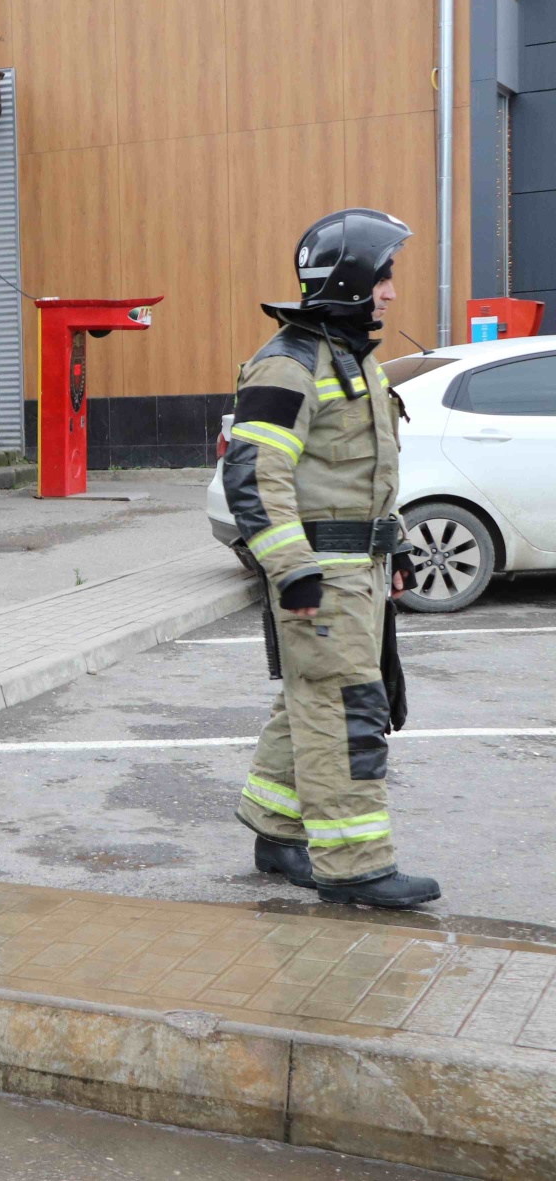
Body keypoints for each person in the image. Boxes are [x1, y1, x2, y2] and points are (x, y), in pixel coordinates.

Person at [224, 207, 438, 909]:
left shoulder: (349, 358)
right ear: (351, 277)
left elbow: (363, 477)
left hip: (357, 574)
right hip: (323, 579)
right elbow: (256, 475)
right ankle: (354, 865)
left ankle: (275, 830)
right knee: (345, 709)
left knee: (310, 701)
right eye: (385, 276)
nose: (391, 293)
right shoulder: (289, 362)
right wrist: (293, 570)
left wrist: (396, 544)